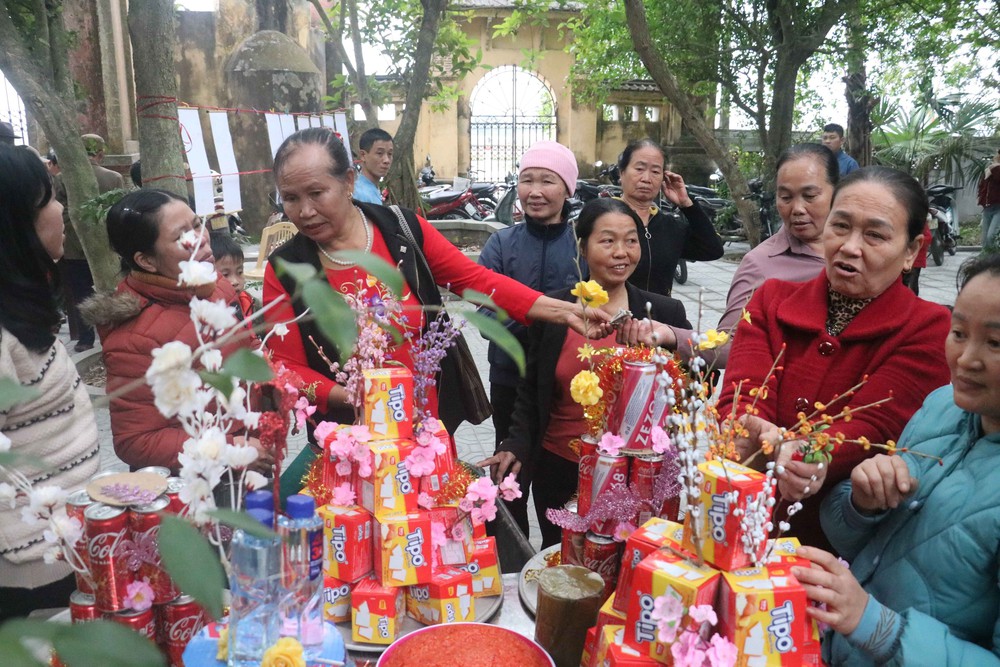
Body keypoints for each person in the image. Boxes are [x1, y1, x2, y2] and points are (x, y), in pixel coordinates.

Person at [260, 128, 609, 496]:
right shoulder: (286, 268)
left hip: (426, 434)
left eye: (316, 193)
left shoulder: (400, 229)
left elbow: (476, 280)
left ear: (348, 180)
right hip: (351, 445)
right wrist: (358, 395)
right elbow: (285, 368)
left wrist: (562, 311)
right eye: (291, 198)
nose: (305, 211)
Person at [717, 166, 952, 550]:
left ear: (911, 251)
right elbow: (745, 390)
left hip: (828, 549)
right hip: (736, 521)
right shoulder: (771, 300)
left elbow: (873, 422)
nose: (850, 246)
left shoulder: (928, 328)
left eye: (875, 235)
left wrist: (809, 454)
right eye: (840, 226)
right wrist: (748, 429)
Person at [794, 253, 1000, 666]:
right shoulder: (942, 408)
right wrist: (862, 503)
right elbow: (853, 538)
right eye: (958, 332)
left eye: (995, 343)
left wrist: (876, 626)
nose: (965, 359)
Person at [479, 198, 692, 547]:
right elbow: (530, 392)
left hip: (638, 475)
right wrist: (515, 442)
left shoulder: (664, 312)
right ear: (582, 246)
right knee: (565, 564)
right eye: (607, 241)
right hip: (562, 469)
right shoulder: (557, 310)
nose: (621, 252)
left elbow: (691, 386)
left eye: (631, 240)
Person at [80, 189, 268, 473]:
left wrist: (273, 383)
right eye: (181, 236)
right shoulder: (134, 338)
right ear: (146, 261)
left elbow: (246, 344)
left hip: (250, 454)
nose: (201, 239)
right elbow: (136, 441)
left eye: (195, 224)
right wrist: (229, 450)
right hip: (197, 482)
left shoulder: (215, 285)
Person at [0, 145, 99, 619]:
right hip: (27, 567)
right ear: (15, 223)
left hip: (60, 544)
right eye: (49, 200)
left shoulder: (22, 303)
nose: (61, 210)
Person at [477, 140, 586, 536]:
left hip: (568, 384)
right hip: (509, 377)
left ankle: (561, 550)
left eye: (548, 181)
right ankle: (513, 552)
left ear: (568, 189)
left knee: (562, 473)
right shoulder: (501, 244)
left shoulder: (582, 246)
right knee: (510, 471)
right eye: (526, 180)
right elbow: (484, 306)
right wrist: (542, 330)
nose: (535, 191)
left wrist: (552, 342)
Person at [647, 143, 837, 366]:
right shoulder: (761, 265)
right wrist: (671, 335)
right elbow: (729, 343)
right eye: (785, 197)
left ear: (837, 191)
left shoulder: (862, 251)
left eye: (810, 195)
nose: (797, 208)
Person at [617, 138, 723, 296]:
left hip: (660, 317)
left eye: (655, 172)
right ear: (622, 172)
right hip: (611, 317)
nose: (646, 178)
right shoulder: (603, 218)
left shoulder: (669, 226)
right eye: (639, 169)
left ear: (663, 178)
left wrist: (687, 204)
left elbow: (712, 250)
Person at [54, 133, 124, 353]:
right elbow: (118, 213)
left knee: (80, 293)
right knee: (110, 290)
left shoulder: (61, 178)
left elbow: (60, 213)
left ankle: (85, 338)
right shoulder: (113, 178)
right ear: (101, 154)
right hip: (106, 247)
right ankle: (116, 334)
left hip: (74, 247)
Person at [210, 233, 255, 321]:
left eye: (239, 272)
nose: (235, 281)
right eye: (225, 275)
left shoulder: (251, 303)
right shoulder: (209, 315)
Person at [354, 128, 393, 205]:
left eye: (390, 154)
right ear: (363, 155)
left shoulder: (372, 189)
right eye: (379, 153)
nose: (386, 160)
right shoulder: (359, 195)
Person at [978, 147, 1000, 247]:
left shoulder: (994, 169)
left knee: (991, 236)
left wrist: (994, 167)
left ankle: (994, 259)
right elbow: (983, 186)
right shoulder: (991, 169)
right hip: (987, 207)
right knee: (984, 240)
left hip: (998, 208)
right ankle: (985, 260)